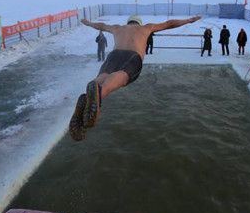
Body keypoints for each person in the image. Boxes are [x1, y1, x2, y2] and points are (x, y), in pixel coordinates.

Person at [72, 15, 201, 141]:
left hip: (114, 54)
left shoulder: (118, 28)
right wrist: (189, 20)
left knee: (104, 75)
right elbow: (169, 24)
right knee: (122, 75)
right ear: (139, 23)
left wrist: (87, 22)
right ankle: (99, 93)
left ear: (128, 22)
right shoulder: (146, 27)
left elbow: (101, 26)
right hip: (133, 55)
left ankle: (94, 87)